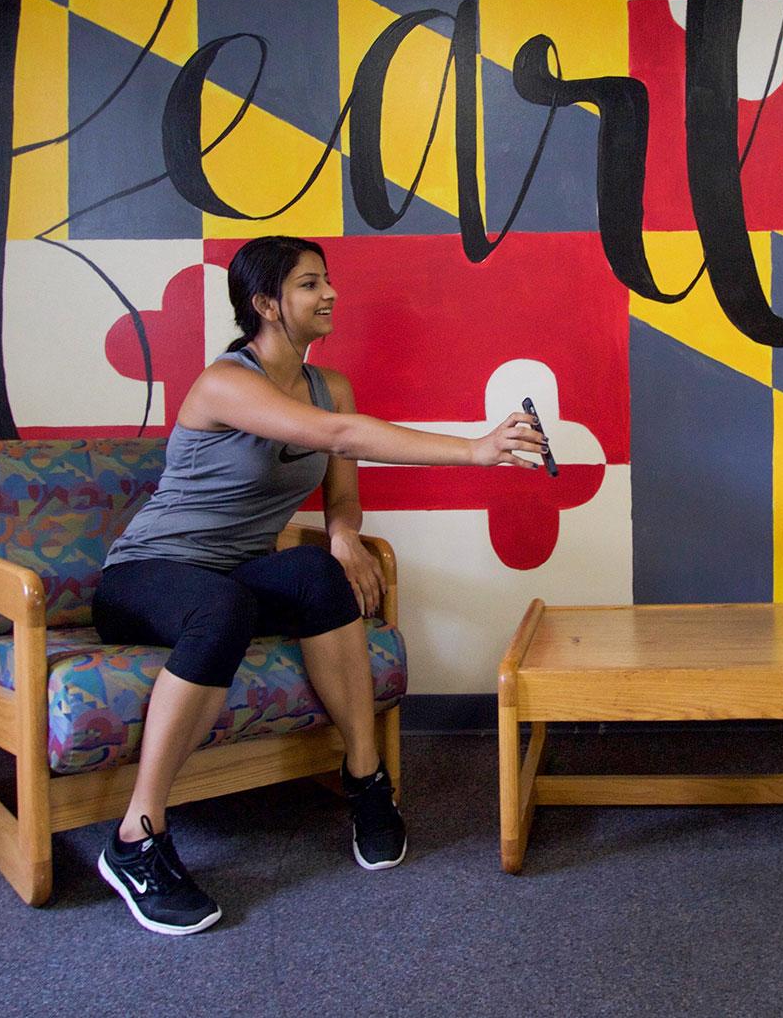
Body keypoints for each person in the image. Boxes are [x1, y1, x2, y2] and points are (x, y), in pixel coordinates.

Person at [93, 235, 547, 935]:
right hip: (148, 576)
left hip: (233, 572)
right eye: (309, 285)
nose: (330, 294)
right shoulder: (225, 382)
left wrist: (340, 536)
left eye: (326, 281)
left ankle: (366, 782)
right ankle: (136, 838)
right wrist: (474, 448)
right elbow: (339, 435)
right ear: (266, 304)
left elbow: (341, 490)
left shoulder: (328, 384)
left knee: (313, 572)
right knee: (224, 606)